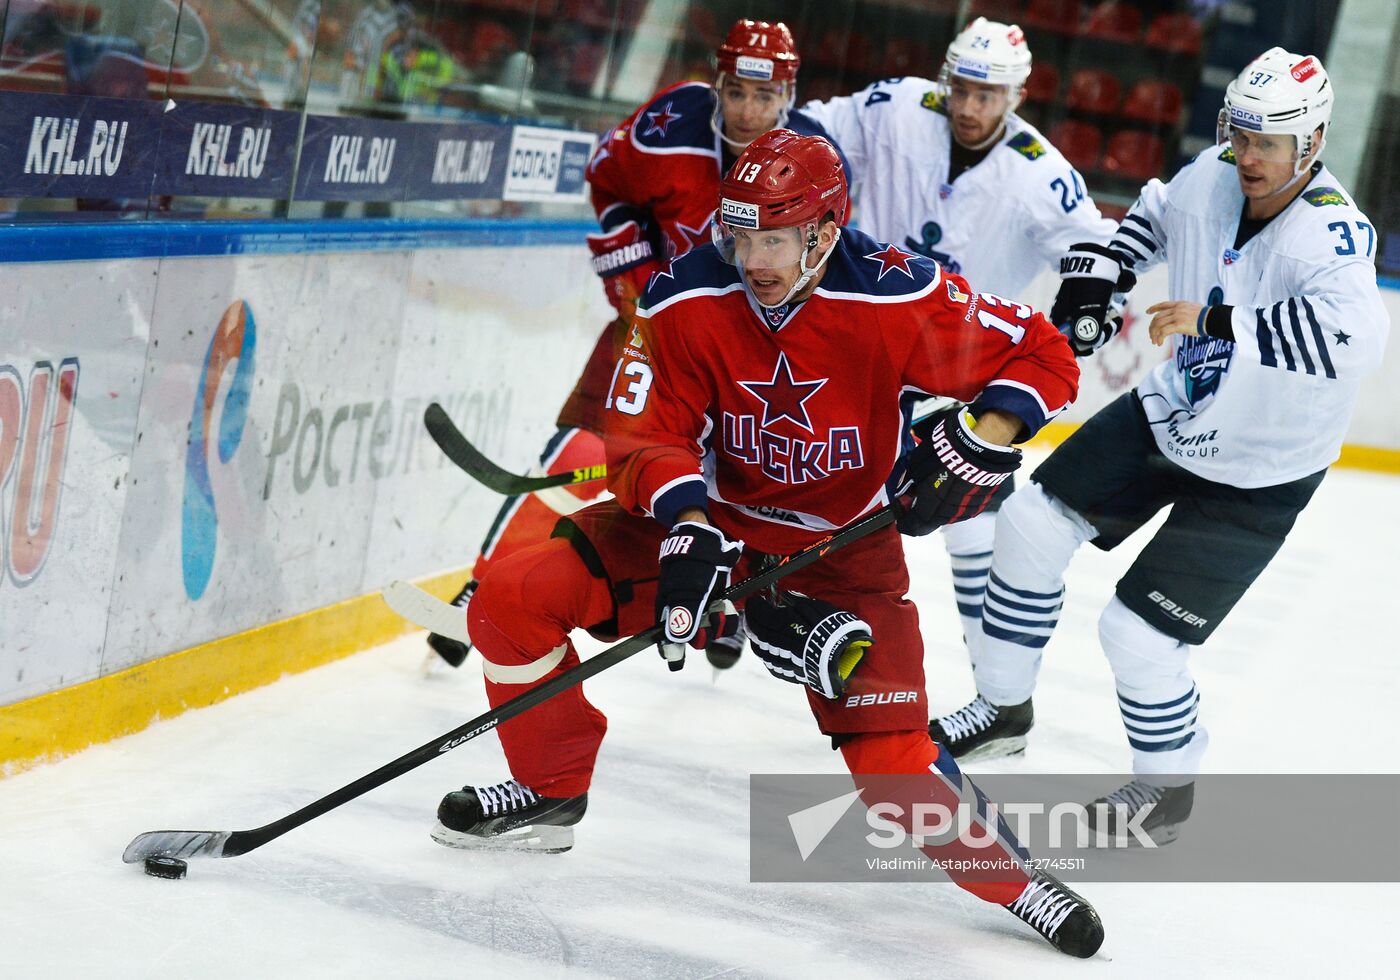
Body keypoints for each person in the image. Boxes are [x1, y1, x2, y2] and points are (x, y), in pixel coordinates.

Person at [431, 130, 1103, 958]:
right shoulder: (683, 296)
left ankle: (1019, 880)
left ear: (823, 231)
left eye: (773, 238)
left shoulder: (897, 295)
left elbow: (1044, 353)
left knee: (894, 771)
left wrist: (982, 435)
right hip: (706, 529)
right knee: (511, 597)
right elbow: (642, 434)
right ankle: (548, 789)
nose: (752, 257)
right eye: (740, 234)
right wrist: (685, 521)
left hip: (843, 552)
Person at [927, 48, 1389, 842]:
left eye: (1265, 143)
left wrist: (1217, 322)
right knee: (1030, 521)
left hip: (1260, 470)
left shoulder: (1335, 235)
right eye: (1238, 135)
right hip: (1172, 414)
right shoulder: (1213, 173)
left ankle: (1167, 786)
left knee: (1136, 636)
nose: (1245, 156)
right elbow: (1147, 221)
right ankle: (1004, 707)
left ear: (1310, 145)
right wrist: (1100, 273)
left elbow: (1355, 343)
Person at [427, 20, 848, 673]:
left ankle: (728, 603)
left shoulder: (815, 157)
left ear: (789, 93)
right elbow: (607, 178)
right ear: (718, 81)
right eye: (737, 92)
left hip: (745, 352)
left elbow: (828, 261)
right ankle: (485, 582)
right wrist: (630, 266)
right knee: (578, 450)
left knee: (734, 479)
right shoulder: (670, 122)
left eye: (765, 98)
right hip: (650, 324)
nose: (748, 110)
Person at [800, 17, 1116, 683]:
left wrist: (1087, 306)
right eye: (962, 89)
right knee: (794, 481)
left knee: (973, 533)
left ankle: (995, 688)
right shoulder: (896, 106)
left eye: (988, 96)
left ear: (1018, 96)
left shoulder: (1042, 174)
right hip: (851, 348)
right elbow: (811, 126)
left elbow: (1094, 252)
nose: (969, 108)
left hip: (955, 377)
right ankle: (746, 606)